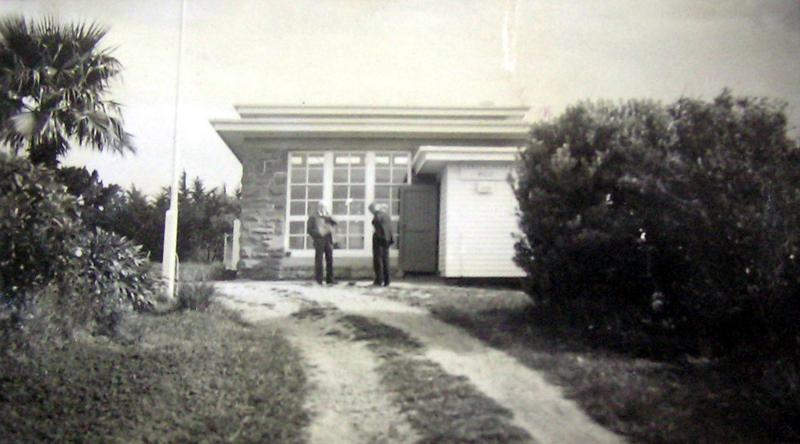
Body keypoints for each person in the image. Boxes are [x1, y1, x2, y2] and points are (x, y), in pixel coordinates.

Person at [307, 200, 337, 285]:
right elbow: (309, 230)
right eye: (322, 207)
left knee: (330, 260)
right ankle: (319, 279)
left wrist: (329, 216)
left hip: (328, 240)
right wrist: (318, 234)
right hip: (319, 241)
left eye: (325, 207)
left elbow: (336, 222)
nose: (323, 208)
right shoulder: (313, 217)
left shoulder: (328, 217)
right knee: (319, 260)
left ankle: (330, 279)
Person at [369, 202, 394, 286]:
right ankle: (387, 281)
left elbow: (376, 223)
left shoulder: (378, 215)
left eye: (371, 210)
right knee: (386, 260)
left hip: (379, 240)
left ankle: (379, 280)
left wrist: (377, 234)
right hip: (387, 240)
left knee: (378, 260)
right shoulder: (387, 216)